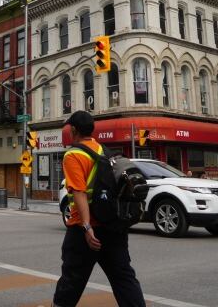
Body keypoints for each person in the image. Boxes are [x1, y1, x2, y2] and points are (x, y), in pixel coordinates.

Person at [53, 111, 145, 307]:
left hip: (84, 230)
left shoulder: (73, 154)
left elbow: (78, 192)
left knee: (72, 279)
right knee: (123, 278)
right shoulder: (103, 150)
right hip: (112, 226)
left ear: (74, 130)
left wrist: (87, 227)